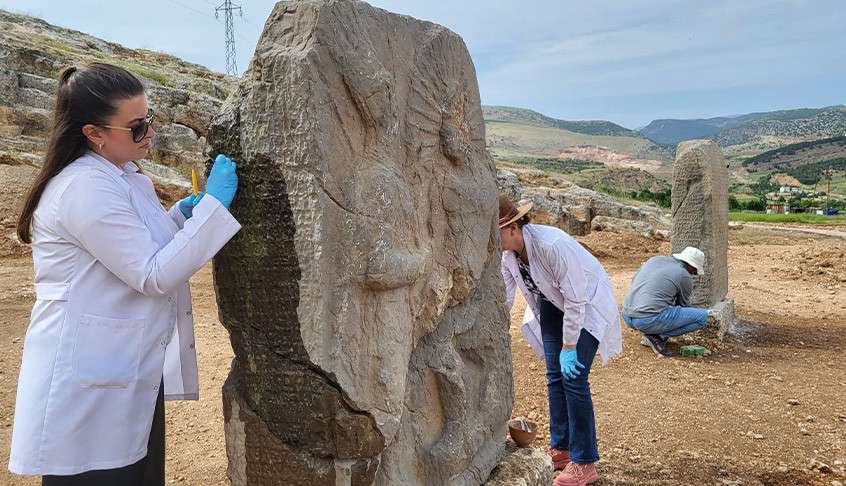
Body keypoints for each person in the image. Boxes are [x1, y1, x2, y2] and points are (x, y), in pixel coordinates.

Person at [9, 63, 242, 486]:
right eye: (136, 127)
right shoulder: (83, 187)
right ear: (94, 133)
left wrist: (180, 215)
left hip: (122, 367)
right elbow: (151, 273)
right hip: (88, 380)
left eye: (148, 120)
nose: (149, 134)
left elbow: (133, 247)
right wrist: (215, 209)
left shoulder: (121, 176)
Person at [499, 195, 621, 486]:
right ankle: (562, 449)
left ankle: (584, 461)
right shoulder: (507, 257)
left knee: (574, 377)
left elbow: (577, 300)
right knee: (555, 376)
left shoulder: (552, 246)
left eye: (496, 233)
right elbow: (503, 298)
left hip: (584, 303)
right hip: (553, 305)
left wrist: (569, 348)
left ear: (513, 228)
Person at [621, 247, 707, 357]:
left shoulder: (655, 260)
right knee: (702, 317)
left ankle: (653, 332)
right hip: (645, 320)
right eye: (694, 272)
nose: (693, 274)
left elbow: (634, 280)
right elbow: (683, 305)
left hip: (627, 315)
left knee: (661, 309)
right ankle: (657, 336)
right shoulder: (684, 275)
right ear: (691, 266)